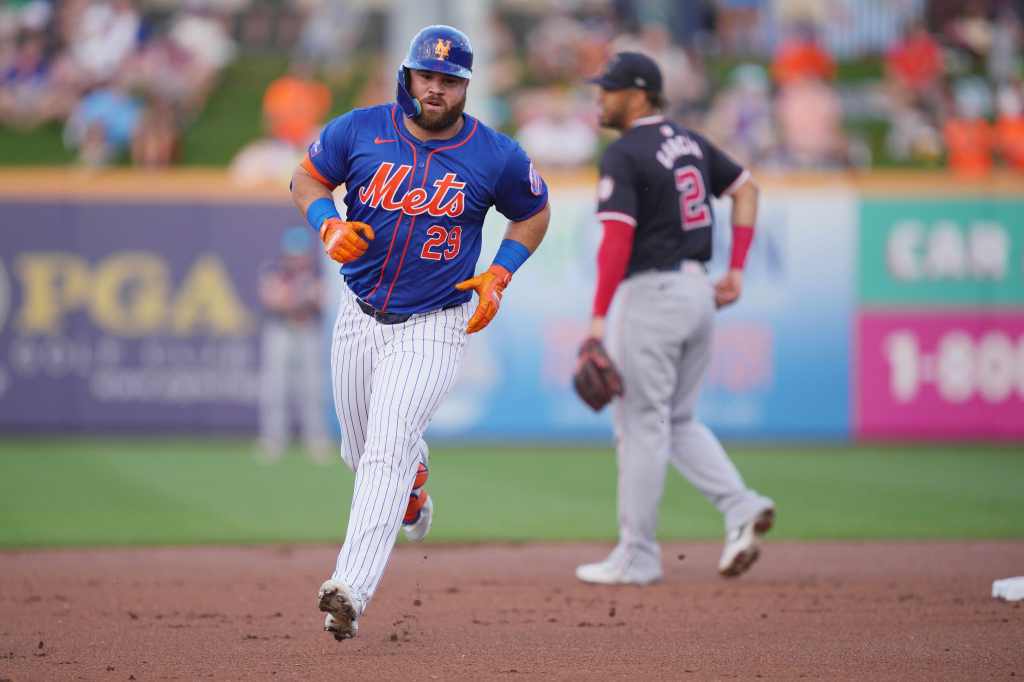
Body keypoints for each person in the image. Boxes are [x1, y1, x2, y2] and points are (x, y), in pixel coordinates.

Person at [288, 24, 550, 641]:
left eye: (449, 80)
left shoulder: (496, 154)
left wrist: (500, 274)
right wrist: (328, 224)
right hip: (359, 311)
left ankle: (348, 589)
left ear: (465, 86)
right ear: (407, 76)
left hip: (435, 321)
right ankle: (415, 488)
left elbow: (534, 212)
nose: (435, 89)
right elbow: (306, 178)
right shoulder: (359, 128)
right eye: (426, 76)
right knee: (361, 451)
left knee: (385, 448)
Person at [574, 52, 775, 586]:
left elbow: (616, 241)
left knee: (641, 424)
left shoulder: (625, 152)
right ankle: (741, 506)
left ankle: (637, 555)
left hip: (653, 294)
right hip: (697, 292)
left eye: (608, 89)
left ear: (638, 94)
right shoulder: (690, 142)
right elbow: (747, 190)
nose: (600, 97)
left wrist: (596, 321)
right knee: (678, 419)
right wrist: (736, 269)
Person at [257, 226, 331, 463]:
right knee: (276, 387)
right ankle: (273, 439)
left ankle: (316, 439)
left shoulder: (315, 273)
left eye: (301, 254)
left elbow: (320, 301)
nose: (297, 259)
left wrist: (295, 299)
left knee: (312, 388)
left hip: (308, 330)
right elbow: (273, 300)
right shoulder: (275, 271)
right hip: (281, 330)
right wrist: (298, 299)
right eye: (293, 254)